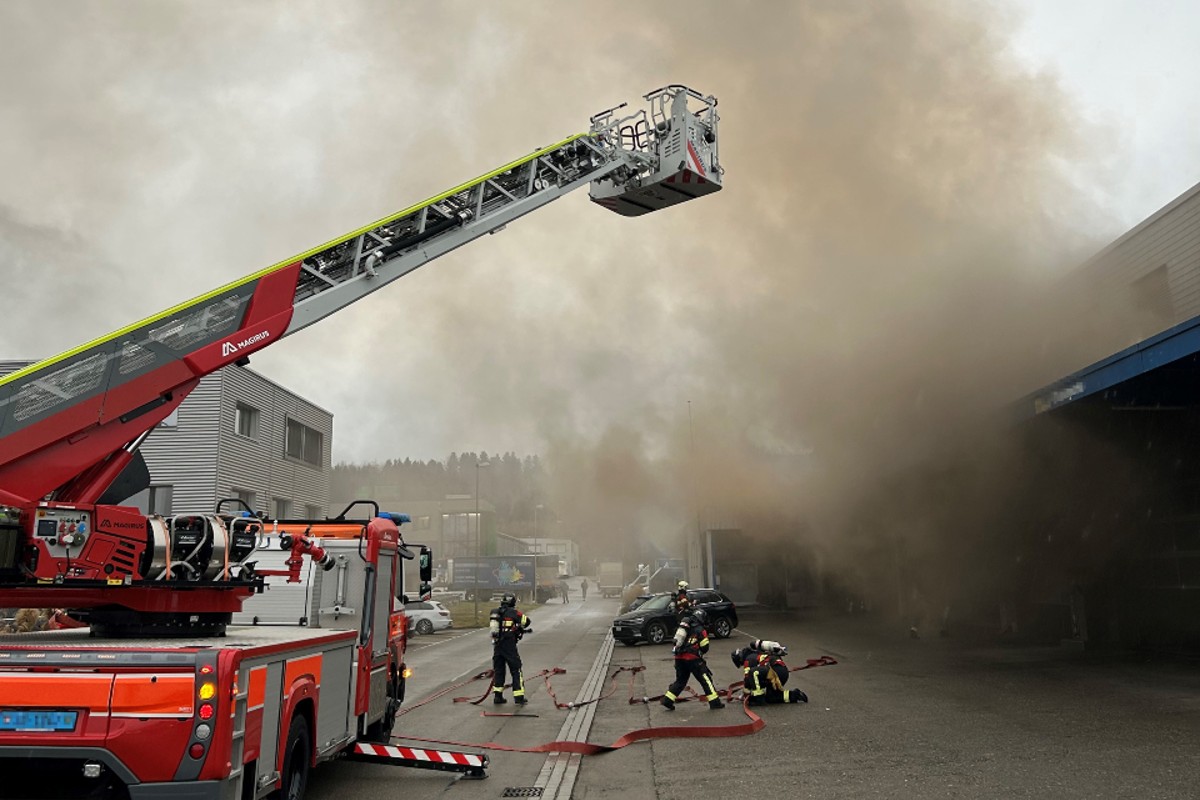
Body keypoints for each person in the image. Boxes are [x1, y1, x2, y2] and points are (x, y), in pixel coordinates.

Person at [662, 602, 725, 711]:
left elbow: (677, 641)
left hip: (679, 658)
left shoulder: (685, 626)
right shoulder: (700, 629)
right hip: (693, 659)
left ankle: (668, 700)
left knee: (680, 681)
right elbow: (705, 647)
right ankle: (715, 702)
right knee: (706, 680)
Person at [730, 639, 807, 706]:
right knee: (771, 698)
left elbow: (748, 680)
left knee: (752, 673)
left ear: (740, 659)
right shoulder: (757, 654)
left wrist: (745, 695)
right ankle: (795, 695)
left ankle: (759, 699)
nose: (742, 664)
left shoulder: (748, 659)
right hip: (782, 673)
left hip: (775, 671)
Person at [489, 592, 532, 705]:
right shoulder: (514, 613)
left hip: (497, 646)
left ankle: (498, 697)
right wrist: (518, 628)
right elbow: (526, 621)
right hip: (509, 646)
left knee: (499, 671)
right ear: (513, 602)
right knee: (516, 670)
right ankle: (519, 697)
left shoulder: (494, 612)